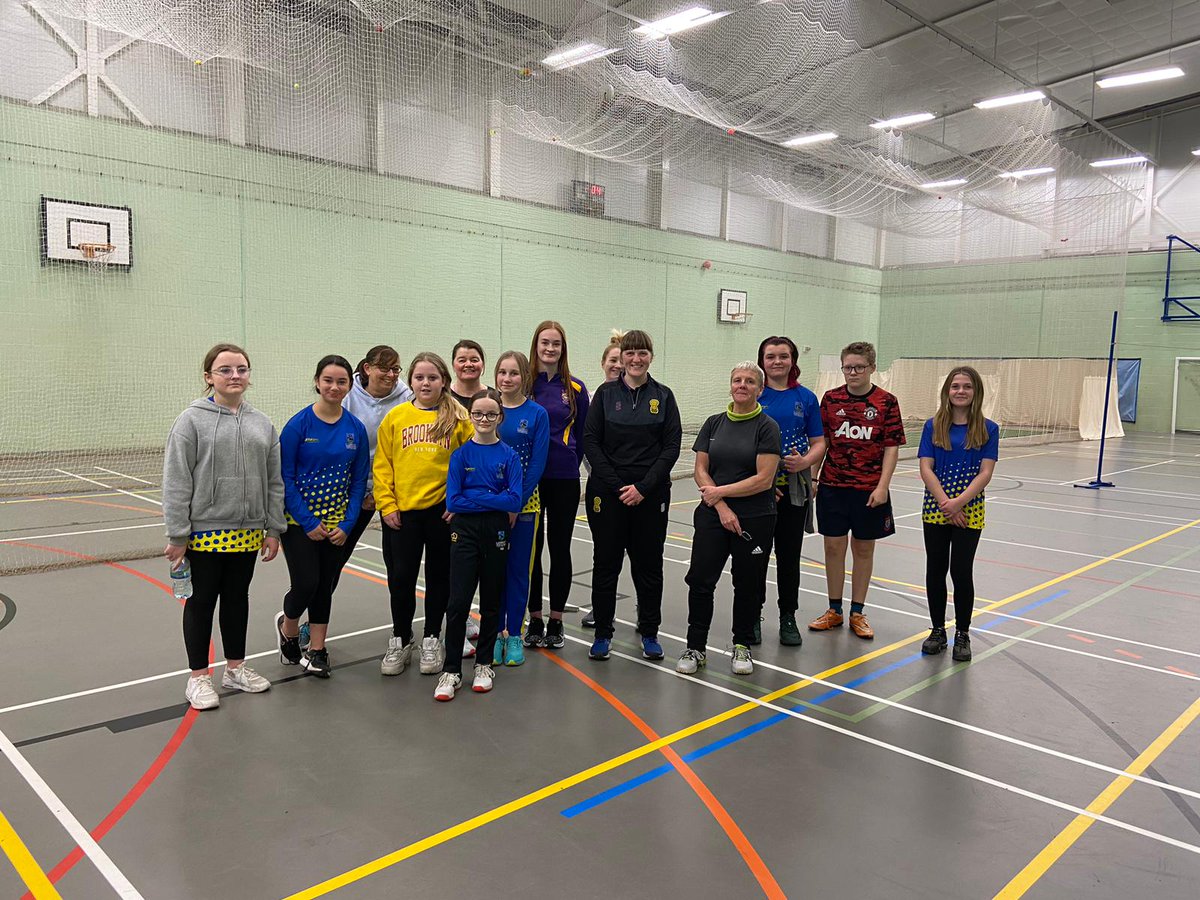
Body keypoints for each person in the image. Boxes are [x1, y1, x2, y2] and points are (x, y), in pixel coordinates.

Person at [162, 343, 286, 710]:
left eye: (241, 369)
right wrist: (178, 534)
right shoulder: (190, 421)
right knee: (201, 602)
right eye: (226, 370)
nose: (235, 376)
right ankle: (198, 677)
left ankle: (235, 668)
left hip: (248, 532)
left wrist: (274, 528)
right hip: (202, 533)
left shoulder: (262, 423)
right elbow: (176, 479)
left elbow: (274, 480)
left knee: (236, 601)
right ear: (208, 377)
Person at [583, 330, 681, 661]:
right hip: (608, 496)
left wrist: (643, 487)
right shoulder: (606, 395)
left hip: (649, 497)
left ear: (651, 356)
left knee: (649, 566)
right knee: (606, 565)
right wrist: (616, 486)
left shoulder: (664, 396)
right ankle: (602, 634)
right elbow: (591, 442)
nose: (636, 359)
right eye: (630, 353)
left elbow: (671, 447)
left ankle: (650, 632)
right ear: (621, 357)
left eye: (642, 353)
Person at [677, 362, 780, 676]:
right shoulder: (713, 423)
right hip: (713, 515)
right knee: (700, 580)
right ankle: (696, 647)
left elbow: (764, 479)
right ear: (730, 385)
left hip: (756, 517)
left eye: (750, 381)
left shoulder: (767, 427)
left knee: (747, 584)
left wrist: (718, 491)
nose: (742, 385)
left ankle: (742, 646)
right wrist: (721, 505)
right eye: (737, 380)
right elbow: (700, 469)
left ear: (759, 389)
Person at [374, 352, 473, 677]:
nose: (426, 383)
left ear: (444, 381)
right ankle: (401, 638)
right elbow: (383, 465)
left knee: (439, 578)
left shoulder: (458, 418)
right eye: (419, 377)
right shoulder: (396, 417)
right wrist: (387, 504)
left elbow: (471, 462)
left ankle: (433, 637)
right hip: (402, 514)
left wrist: (457, 501)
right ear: (411, 382)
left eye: (432, 377)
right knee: (400, 578)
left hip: (443, 513)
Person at [275, 356, 370, 678]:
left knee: (324, 585)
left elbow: (358, 483)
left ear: (349, 386)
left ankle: (317, 649)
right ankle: (288, 627)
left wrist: (346, 524)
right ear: (317, 382)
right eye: (328, 380)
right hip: (298, 522)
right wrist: (307, 521)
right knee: (306, 583)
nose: (334, 387)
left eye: (341, 381)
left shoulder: (355, 429)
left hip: (337, 524)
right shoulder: (297, 426)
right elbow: (285, 478)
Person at [809, 341, 905, 640]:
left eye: (859, 367)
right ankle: (834, 609)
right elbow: (821, 442)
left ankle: (857, 612)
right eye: (848, 367)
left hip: (868, 491)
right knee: (833, 547)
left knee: (863, 549)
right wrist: (813, 479)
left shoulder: (886, 402)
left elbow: (891, 448)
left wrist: (883, 486)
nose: (853, 372)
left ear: (872, 368)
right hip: (833, 487)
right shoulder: (831, 399)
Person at [438, 390, 524, 700]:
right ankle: (451, 671)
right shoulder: (461, 455)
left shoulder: (509, 456)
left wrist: (475, 498)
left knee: (491, 600)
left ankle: (484, 664)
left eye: (491, 414)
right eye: (478, 414)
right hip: (465, 531)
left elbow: (515, 499)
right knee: (458, 602)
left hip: (497, 531)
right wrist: (492, 499)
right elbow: (453, 500)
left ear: (500, 417)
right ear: (471, 416)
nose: (484, 419)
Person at [918, 366, 998, 663]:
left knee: (961, 572)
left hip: (970, 510)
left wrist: (959, 503)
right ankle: (938, 630)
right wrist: (945, 502)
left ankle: (962, 633)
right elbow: (926, 468)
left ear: (975, 391)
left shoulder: (989, 429)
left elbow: (985, 472)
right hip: (936, 508)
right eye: (955, 386)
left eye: (967, 386)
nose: (960, 391)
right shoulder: (932, 426)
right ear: (947, 391)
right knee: (935, 570)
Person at [525, 320, 589, 650]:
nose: (550, 348)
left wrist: (571, 463)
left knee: (560, 548)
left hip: (564, 479)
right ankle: (534, 618)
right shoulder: (523, 384)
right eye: (545, 342)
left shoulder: (575, 388)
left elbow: (583, 436)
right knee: (532, 550)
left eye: (557, 344)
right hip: (529, 482)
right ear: (535, 345)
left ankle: (556, 620)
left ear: (563, 349)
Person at [758, 336, 825, 647]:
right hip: (759, 493)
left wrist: (806, 465)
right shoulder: (753, 394)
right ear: (763, 361)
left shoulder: (807, 398)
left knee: (788, 557)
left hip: (793, 493)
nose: (777, 362)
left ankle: (788, 617)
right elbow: (739, 440)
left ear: (793, 360)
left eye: (783, 356)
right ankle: (752, 615)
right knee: (755, 556)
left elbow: (819, 442)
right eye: (770, 356)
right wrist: (762, 483)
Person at [493, 351, 549, 667]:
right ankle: (497, 631)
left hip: (524, 507)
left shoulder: (536, 413)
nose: (507, 378)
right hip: (490, 506)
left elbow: (537, 463)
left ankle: (514, 633)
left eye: (514, 373)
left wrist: (516, 502)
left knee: (517, 572)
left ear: (524, 377)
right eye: (502, 372)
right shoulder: (488, 408)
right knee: (493, 572)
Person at [582, 330, 625, 629]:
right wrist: (605, 478)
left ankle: (645, 609)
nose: (618, 366)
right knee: (604, 553)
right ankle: (600, 610)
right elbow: (588, 444)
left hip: (637, 490)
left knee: (642, 555)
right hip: (604, 488)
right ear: (603, 363)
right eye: (613, 360)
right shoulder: (594, 398)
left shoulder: (650, 396)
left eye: (623, 361)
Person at [449, 339, 487, 408]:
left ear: (483, 364)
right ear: (453, 365)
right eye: (462, 360)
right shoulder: (443, 397)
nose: (468, 364)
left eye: (474, 360)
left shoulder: (494, 397)